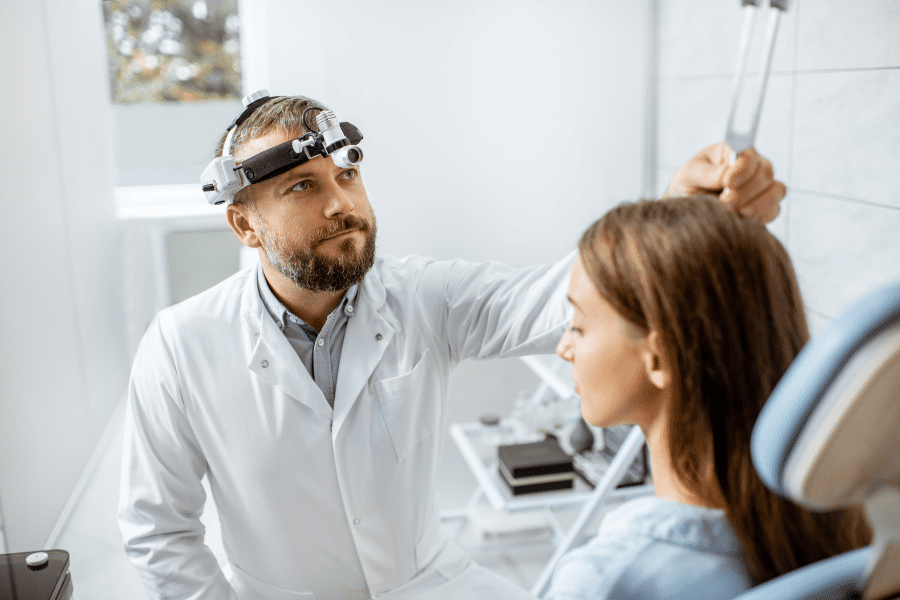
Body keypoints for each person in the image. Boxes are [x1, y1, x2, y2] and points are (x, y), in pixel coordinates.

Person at [117, 93, 785, 600]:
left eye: (347, 177)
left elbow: (560, 301)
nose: (341, 204)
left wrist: (673, 212)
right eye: (303, 187)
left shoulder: (419, 296)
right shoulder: (179, 347)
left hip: (431, 584)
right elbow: (160, 531)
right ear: (244, 224)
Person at [548, 195, 871, 600]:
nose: (564, 346)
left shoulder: (605, 581)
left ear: (658, 358)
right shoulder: (850, 529)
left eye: (578, 325)